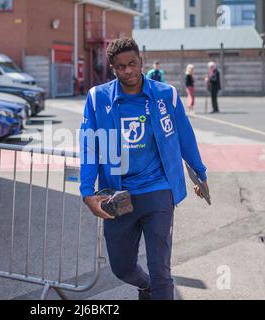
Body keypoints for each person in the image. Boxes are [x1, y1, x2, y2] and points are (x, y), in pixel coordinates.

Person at [79, 38, 209, 300]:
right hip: (119, 195)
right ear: (112, 68)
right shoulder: (97, 98)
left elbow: (185, 136)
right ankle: (144, 285)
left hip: (158, 191)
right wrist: (87, 192)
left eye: (132, 64)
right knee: (121, 268)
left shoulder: (165, 95)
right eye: (120, 66)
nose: (128, 71)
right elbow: (89, 147)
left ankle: (156, 287)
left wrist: (200, 173)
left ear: (141, 62)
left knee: (161, 269)